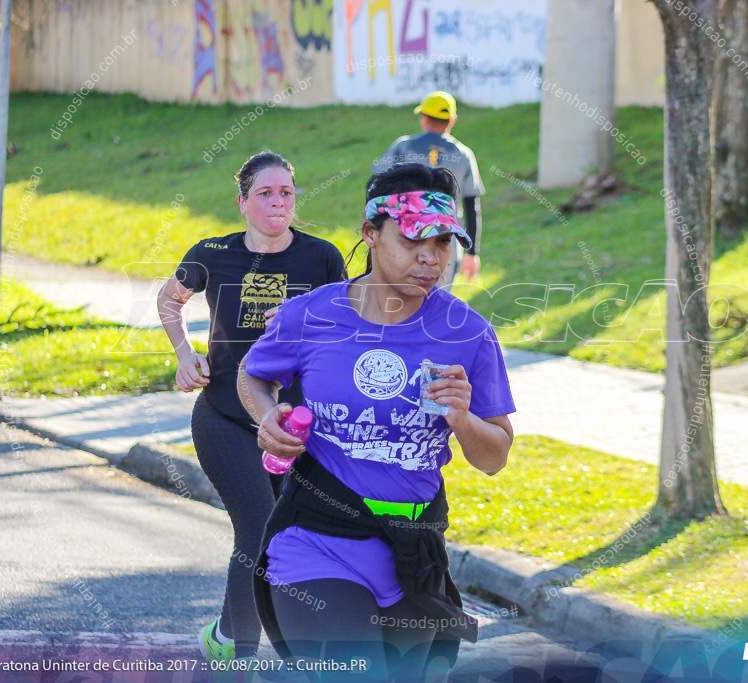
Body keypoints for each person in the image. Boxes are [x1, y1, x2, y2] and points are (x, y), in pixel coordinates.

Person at [238, 163, 515, 681]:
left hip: (412, 553)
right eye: (413, 241)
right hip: (317, 542)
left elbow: (495, 456)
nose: (430, 258)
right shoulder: (310, 314)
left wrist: (462, 417)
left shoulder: (468, 332)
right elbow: (253, 376)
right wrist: (267, 416)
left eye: (442, 242)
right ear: (370, 233)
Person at [156, 151, 346, 664]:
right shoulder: (212, 253)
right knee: (260, 526)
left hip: (294, 427)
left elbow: (342, 330)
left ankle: (222, 634)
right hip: (226, 419)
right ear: (242, 202)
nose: (278, 201)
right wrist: (183, 353)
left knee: (283, 535)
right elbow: (168, 300)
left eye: (286, 191)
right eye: (265, 193)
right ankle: (241, 661)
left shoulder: (322, 258)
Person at [372, 91, 485, 286]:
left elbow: (376, 187)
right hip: (444, 240)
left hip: (403, 237)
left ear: (424, 118)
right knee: (437, 303)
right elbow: (471, 204)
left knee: (400, 301)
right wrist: (472, 252)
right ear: (452, 120)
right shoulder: (463, 154)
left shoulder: (403, 147)